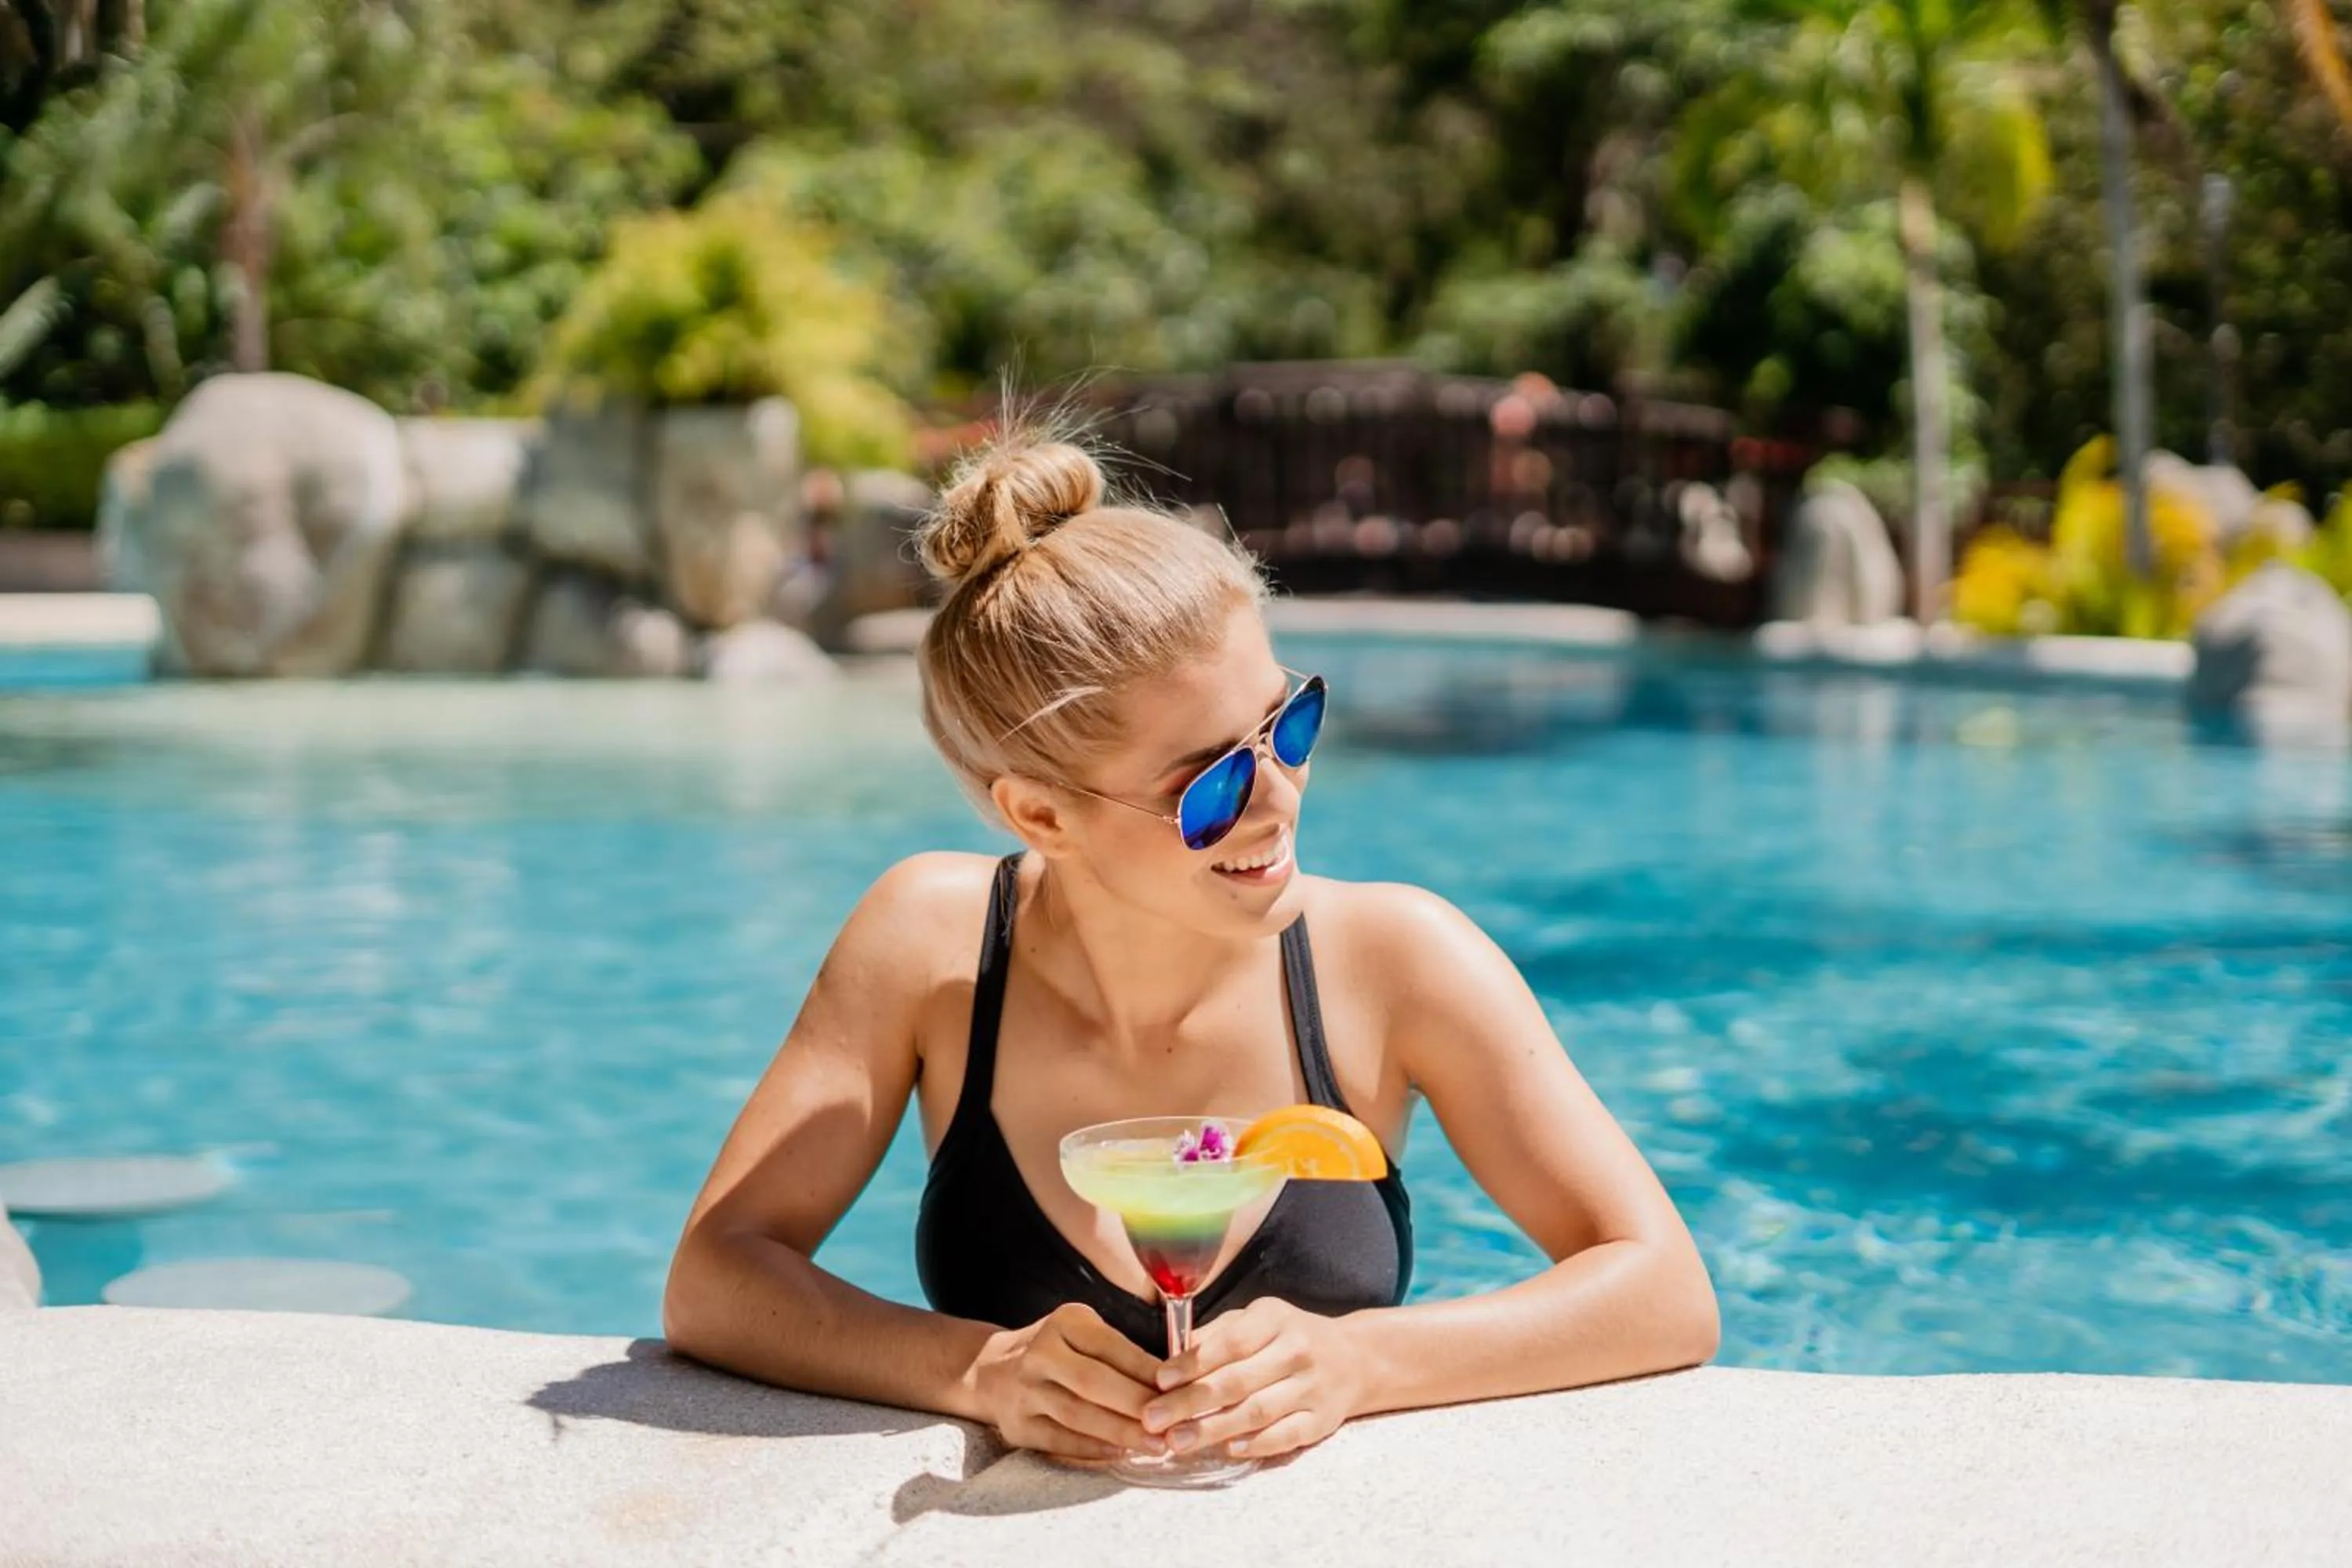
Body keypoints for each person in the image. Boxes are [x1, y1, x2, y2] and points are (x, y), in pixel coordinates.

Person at [663, 432, 1719, 1466]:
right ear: (1041, 816)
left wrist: (1366, 1364)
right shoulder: (929, 946)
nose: (1278, 797)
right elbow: (716, 1276)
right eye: (1209, 783)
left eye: (1288, 724)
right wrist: (976, 1370)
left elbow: (1663, 1290)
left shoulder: (1398, 960)